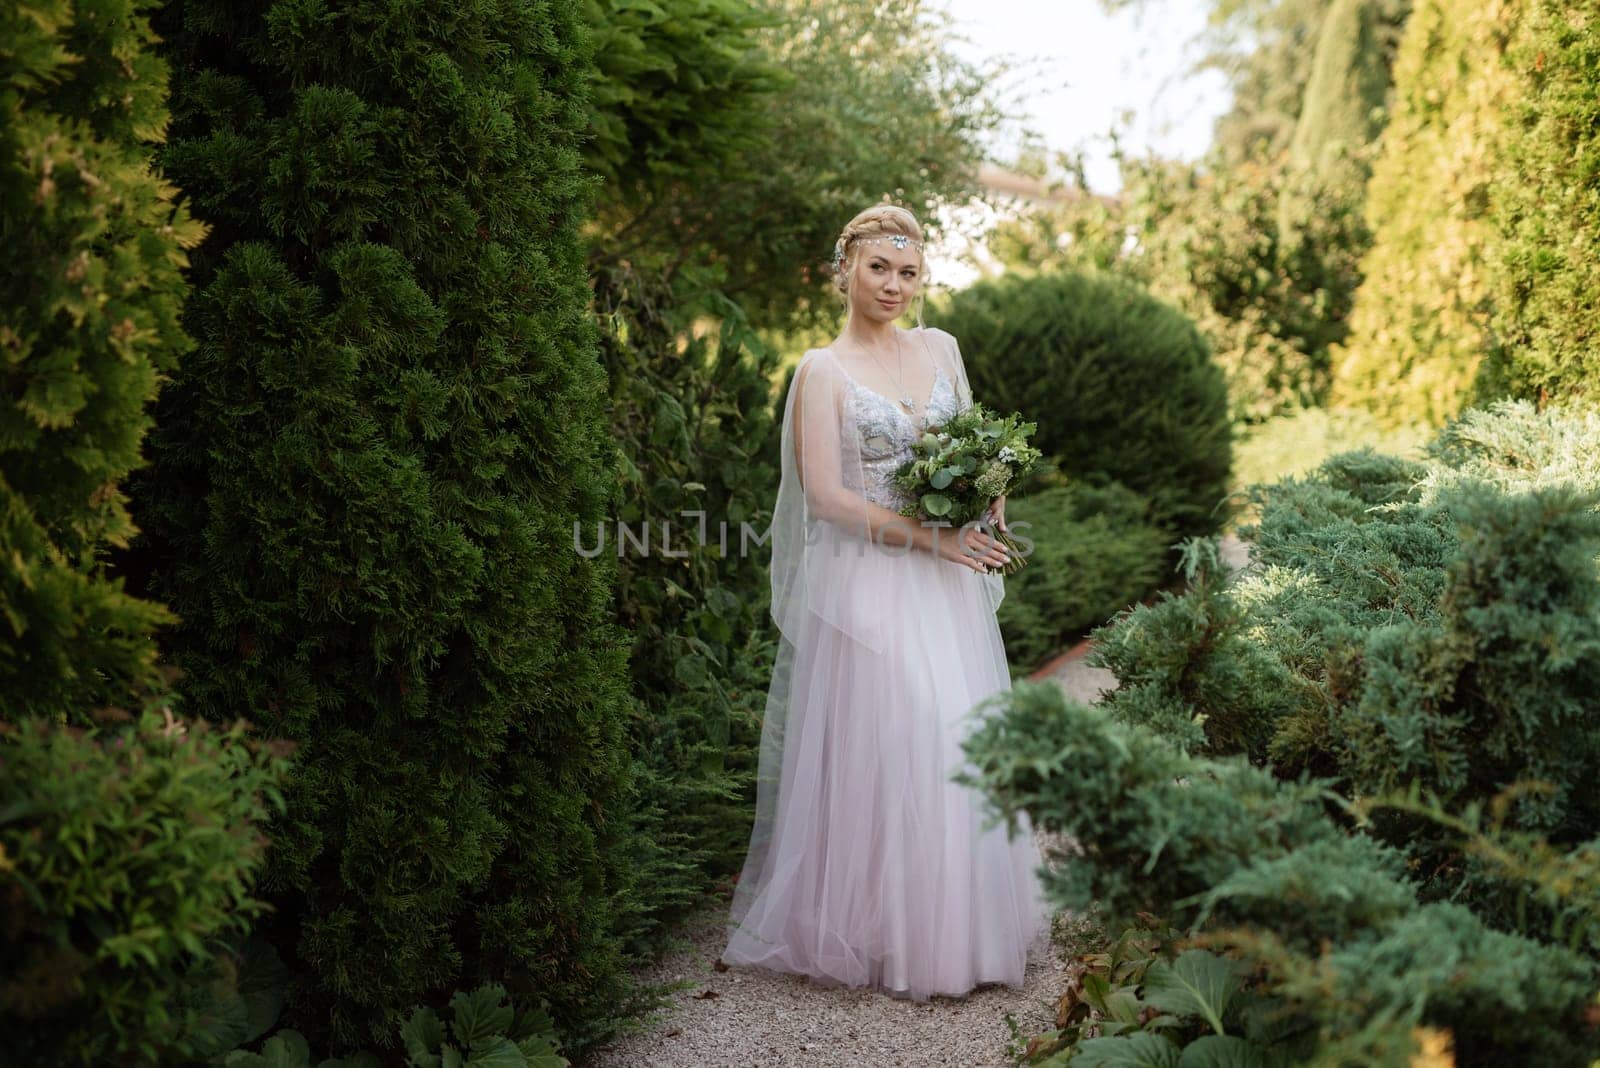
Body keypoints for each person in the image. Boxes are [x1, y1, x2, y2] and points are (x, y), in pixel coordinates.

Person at [719, 203, 1053, 1000]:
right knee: (900, 741)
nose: (894, 284)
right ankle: (888, 936)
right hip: (869, 583)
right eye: (879, 268)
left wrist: (989, 497)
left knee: (955, 744)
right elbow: (827, 499)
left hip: (944, 586)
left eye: (908, 272)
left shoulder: (941, 349)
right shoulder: (820, 372)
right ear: (844, 272)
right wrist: (933, 537)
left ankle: (959, 935)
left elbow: (973, 447)